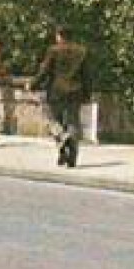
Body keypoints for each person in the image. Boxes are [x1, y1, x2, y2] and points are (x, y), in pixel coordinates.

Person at [33, 25, 92, 168]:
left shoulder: (53, 51)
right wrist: (87, 93)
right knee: (73, 121)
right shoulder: (82, 51)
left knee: (53, 120)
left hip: (56, 91)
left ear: (59, 35)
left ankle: (61, 136)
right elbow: (87, 75)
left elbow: (45, 71)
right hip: (76, 91)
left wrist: (34, 84)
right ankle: (70, 156)